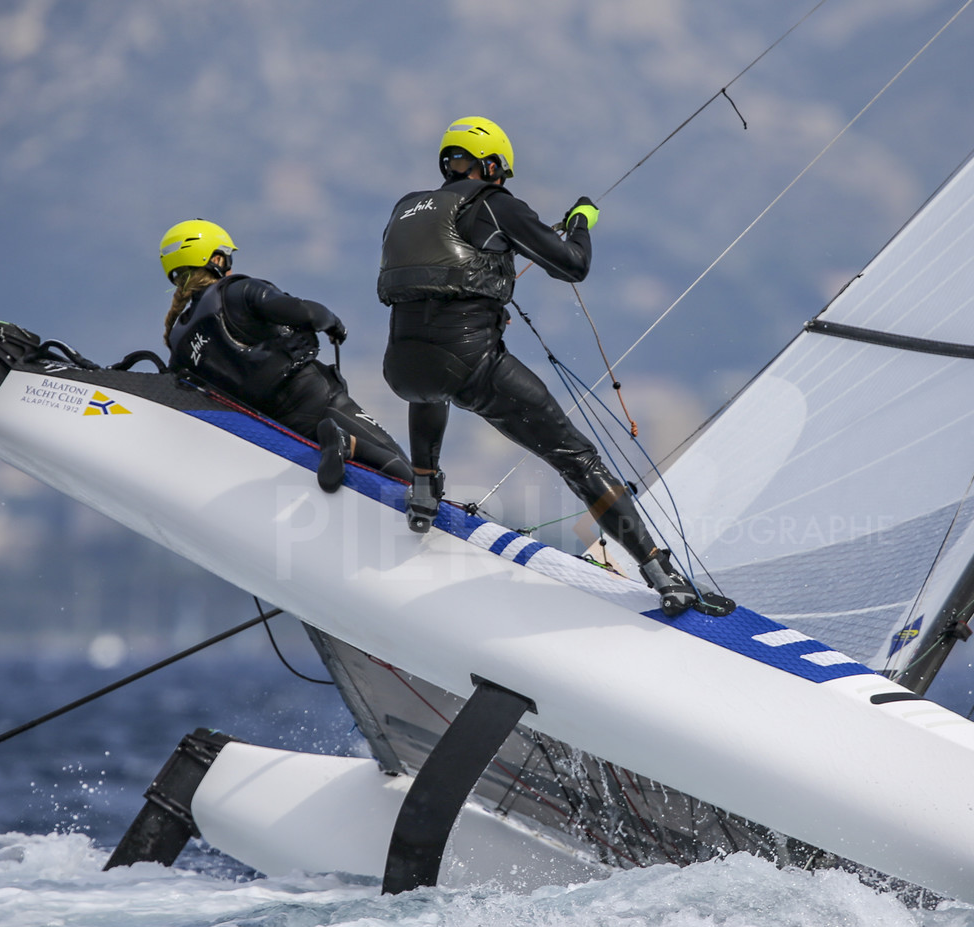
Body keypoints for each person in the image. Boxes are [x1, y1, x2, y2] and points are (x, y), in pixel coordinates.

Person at [377, 117, 732, 617]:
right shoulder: (495, 204)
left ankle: (422, 489)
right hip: (472, 364)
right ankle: (661, 573)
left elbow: (433, 283)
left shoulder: (406, 209)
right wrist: (581, 222)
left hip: (401, 368)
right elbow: (572, 265)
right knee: (578, 458)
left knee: (431, 381)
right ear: (493, 167)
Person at [160, 219, 410, 491]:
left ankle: (342, 447)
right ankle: (346, 442)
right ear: (216, 259)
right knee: (405, 473)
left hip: (274, 429)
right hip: (315, 398)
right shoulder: (235, 291)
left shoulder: (178, 342)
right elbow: (309, 314)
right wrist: (333, 323)